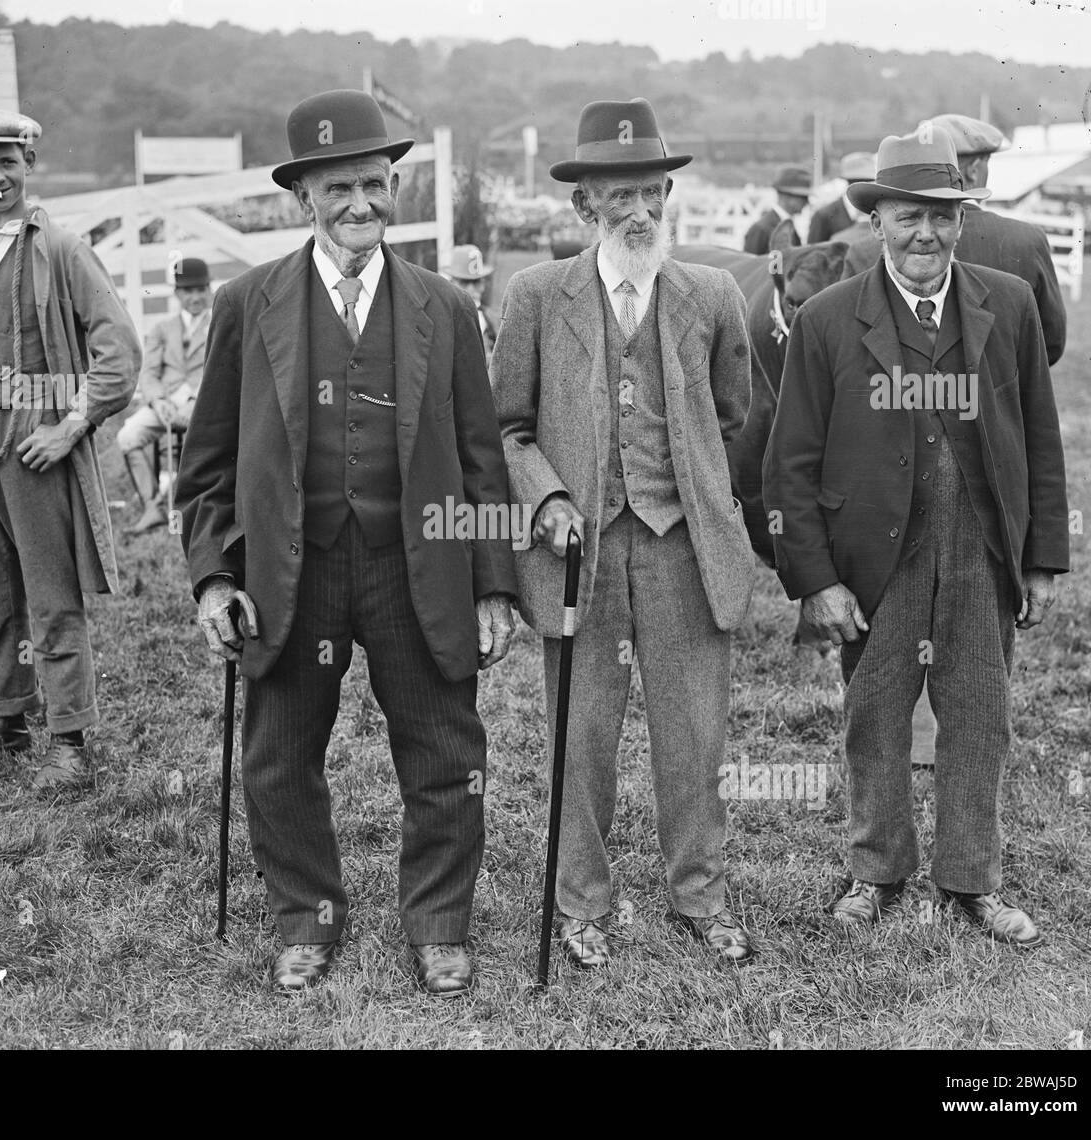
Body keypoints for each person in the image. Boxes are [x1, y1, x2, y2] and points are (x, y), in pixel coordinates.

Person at [176, 89, 518, 996]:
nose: (360, 205)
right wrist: (214, 580)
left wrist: (492, 584)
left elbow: (482, 461)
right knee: (281, 756)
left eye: (374, 183)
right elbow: (205, 463)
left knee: (447, 752)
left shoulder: (444, 309)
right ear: (304, 198)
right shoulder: (248, 305)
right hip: (294, 569)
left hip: (419, 564)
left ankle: (440, 923)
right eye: (339, 189)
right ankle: (307, 918)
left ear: (391, 184)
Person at [762, 130, 1069, 947]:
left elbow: (1040, 433)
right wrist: (817, 580)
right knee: (876, 714)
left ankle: (973, 880)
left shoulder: (1008, 305)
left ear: (962, 219)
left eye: (940, 215)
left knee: (979, 715)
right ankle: (877, 871)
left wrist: (1041, 560)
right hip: (874, 559)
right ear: (878, 222)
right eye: (907, 217)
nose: (925, 234)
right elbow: (787, 465)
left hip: (981, 548)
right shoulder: (828, 319)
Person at [493, 97, 758, 969]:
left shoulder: (712, 294)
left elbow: (731, 411)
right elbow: (507, 430)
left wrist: (684, 486)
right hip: (582, 553)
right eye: (619, 198)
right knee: (582, 734)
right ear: (583, 207)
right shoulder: (535, 297)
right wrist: (548, 497)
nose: (639, 212)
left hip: (684, 546)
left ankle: (701, 897)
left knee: (695, 733)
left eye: (652, 192)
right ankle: (583, 905)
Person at [0, 110, 140, 788]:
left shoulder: (62, 250)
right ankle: (6, 722)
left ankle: (69, 741)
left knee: (50, 593)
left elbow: (119, 351)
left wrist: (70, 426)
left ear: (28, 164)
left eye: (8, 161)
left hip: (34, 443)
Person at [926, 113, 1066, 366]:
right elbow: (1051, 342)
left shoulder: (887, 242)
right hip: (1002, 398)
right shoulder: (1026, 239)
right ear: (974, 170)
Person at [118, 256, 213, 534]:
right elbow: (148, 374)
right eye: (188, 291)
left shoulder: (220, 323)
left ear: (209, 290)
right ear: (177, 294)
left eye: (200, 290)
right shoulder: (162, 329)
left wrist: (197, 401)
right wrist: (158, 401)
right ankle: (153, 507)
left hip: (205, 405)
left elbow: (223, 369)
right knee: (128, 436)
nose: (195, 297)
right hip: (167, 404)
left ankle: (201, 504)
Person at [440, 244, 497, 362]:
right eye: (464, 282)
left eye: (477, 282)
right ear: (451, 282)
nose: (471, 290)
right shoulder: (442, 319)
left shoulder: (489, 318)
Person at [744, 165, 811, 255]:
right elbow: (750, 266)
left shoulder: (788, 227)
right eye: (802, 197)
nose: (807, 202)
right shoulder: (762, 229)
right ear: (785, 196)